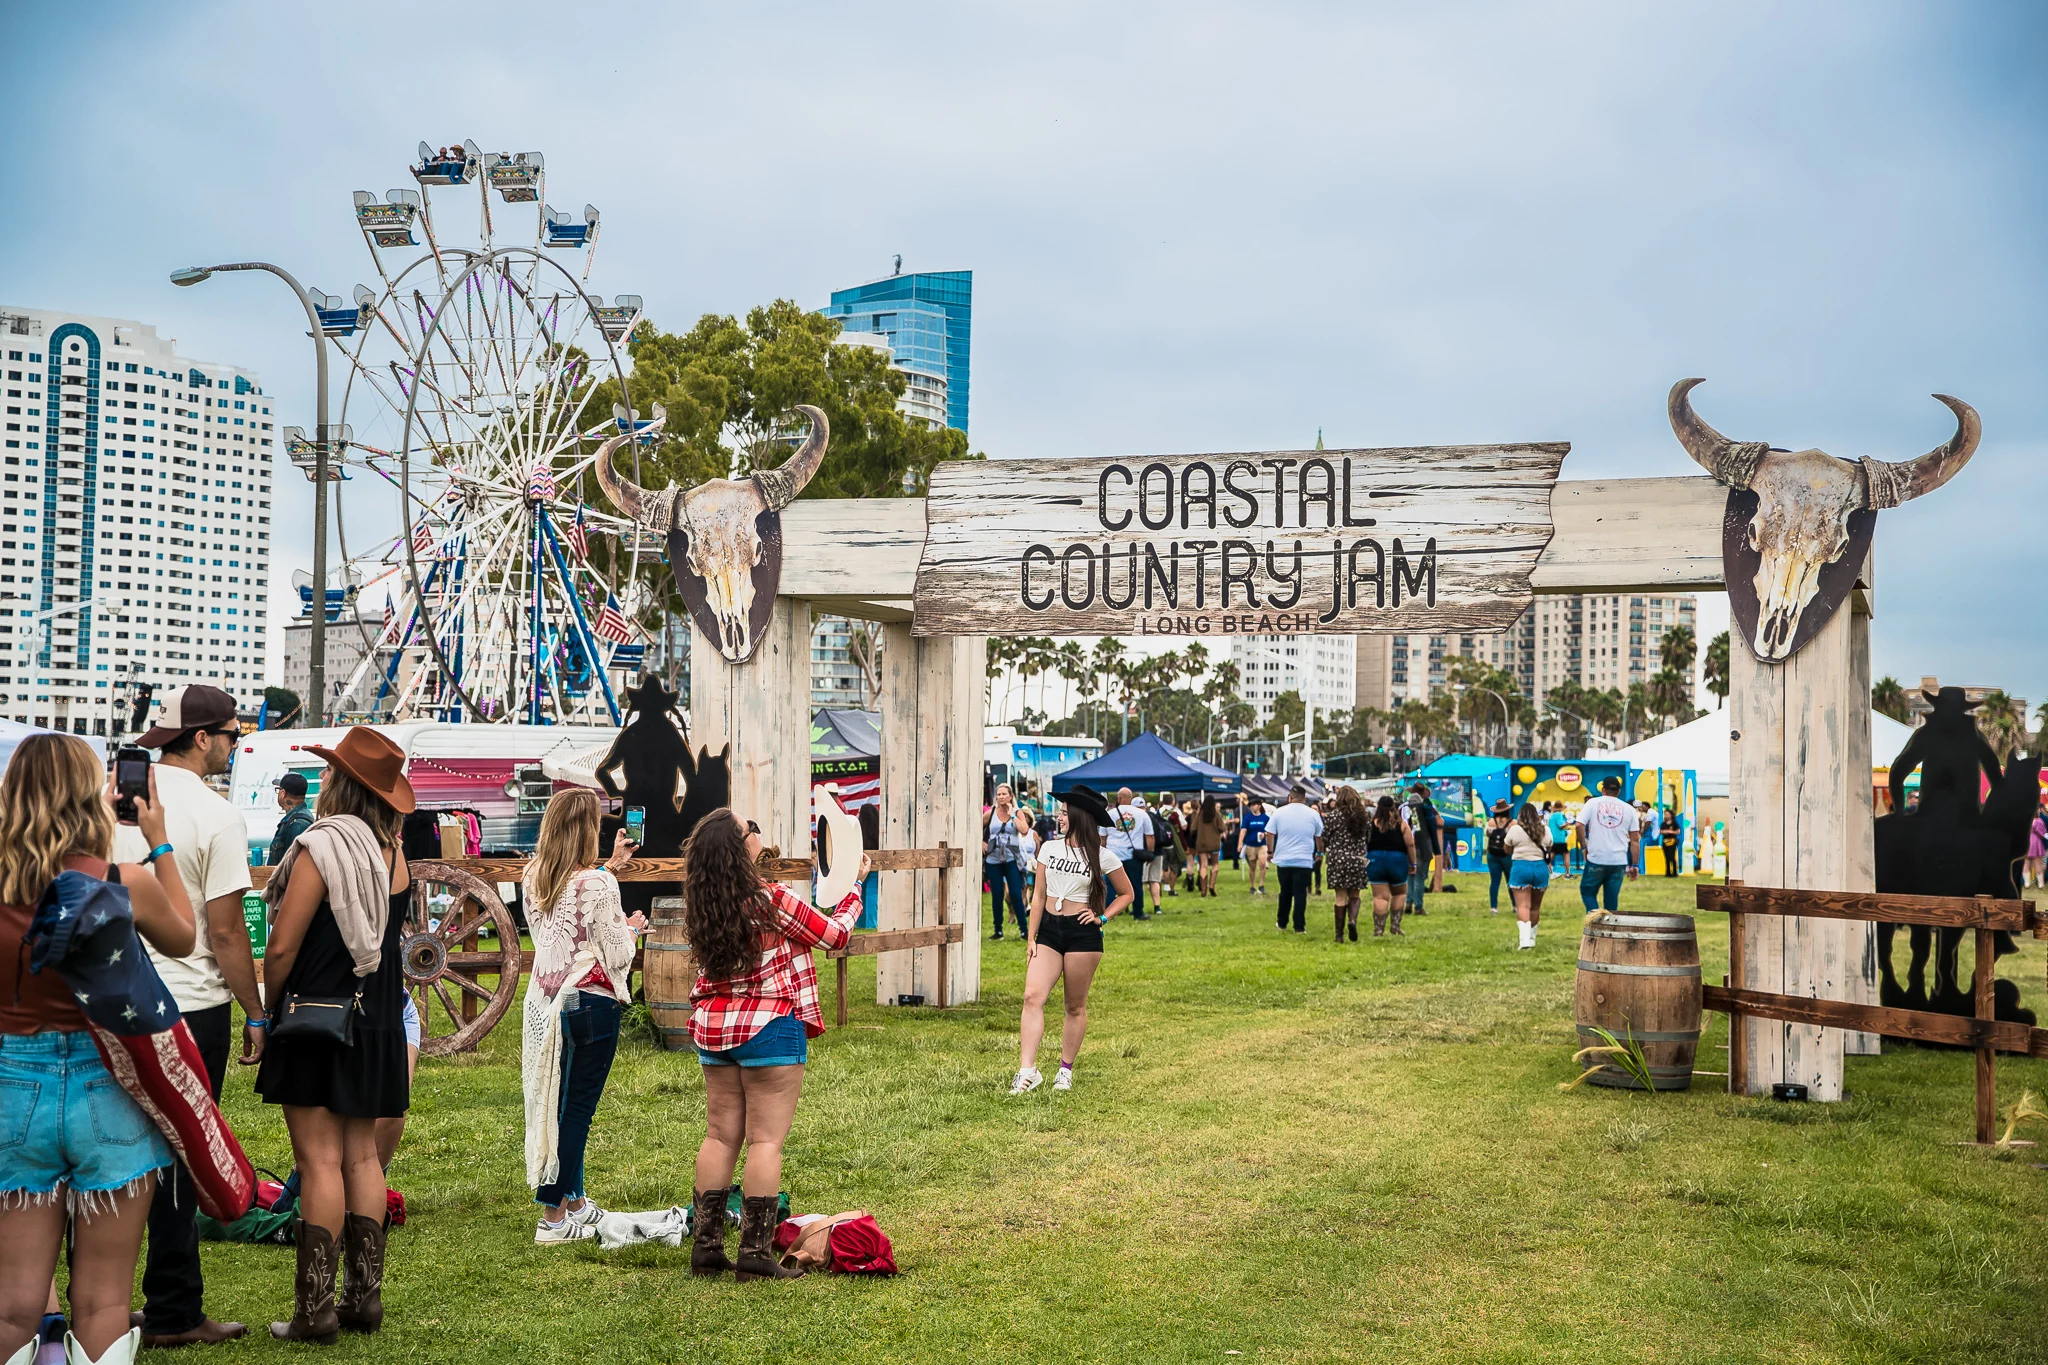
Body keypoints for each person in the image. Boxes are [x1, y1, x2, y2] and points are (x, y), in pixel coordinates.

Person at [0, 736, 196, 1365]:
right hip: (106, 1086)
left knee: (11, 1303)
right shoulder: (120, 882)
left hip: (12, 1087)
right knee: (104, 1299)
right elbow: (184, 937)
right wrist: (156, 840)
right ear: (93, 795)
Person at [256, 726, 417, 1340]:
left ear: (341, 784)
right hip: (377, 1019)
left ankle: (315, 1311)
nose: (321, 779)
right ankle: (363, 1300)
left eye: (328, 772)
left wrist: (268, 1010)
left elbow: (281, 947)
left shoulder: (320, 848)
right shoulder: (394, 854)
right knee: (362, 1157)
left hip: (318, 1016)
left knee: (318, 1160)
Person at [116, 686, 258, 1349]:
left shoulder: (118, 802)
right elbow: (225, 931)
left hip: (115, 994)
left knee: (112, 1151)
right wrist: (256, 1011)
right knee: (183, 1156)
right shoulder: (218, 814)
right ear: (202, 738)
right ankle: (173, 1307)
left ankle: (100, 1300)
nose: (234, 747)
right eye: (232, 735)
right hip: (192, 1002)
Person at [681, 810, 869, 1282]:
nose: (758, 833)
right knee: (765, 1141)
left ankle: (707, 1250)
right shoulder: (773, 899)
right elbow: (834, 936)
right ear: (740, 847)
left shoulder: (703, 904)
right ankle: (754, 1255)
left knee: (719, 1136)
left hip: (715, 1029)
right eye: (752, 829)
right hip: (769, 1027)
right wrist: (854, 888)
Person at [521, 789, 644, 1244]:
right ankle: (552, 1217)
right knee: (577, 1111)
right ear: (587, 829)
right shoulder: (597, 884)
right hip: (592, 1001)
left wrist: (612, 865)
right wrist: (632, 929)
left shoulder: (534, 875)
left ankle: (574, 1200)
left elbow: (566, 915)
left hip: (552, 1001)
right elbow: (617, 952)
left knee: (559, 1104)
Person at [1012, 785, 1134, 1095]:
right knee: (1032, 997)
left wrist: (1102, 918)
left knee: (1074, 1006)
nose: (1060, 817)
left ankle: (1065, 1070)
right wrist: (1031, 936)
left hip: (1083, 935)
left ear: (1080, 817)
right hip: (1049, 931)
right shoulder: (1049, 848)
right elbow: (1039, 896)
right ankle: (1027, 1071)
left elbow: (1126, 893)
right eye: (1061, 812)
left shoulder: (1103, 856)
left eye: (1065, 813)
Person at [1575, 777, 1641, 913]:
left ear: (1602, 789)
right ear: (1619, 791)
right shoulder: (1629, 809)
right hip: (1619, 860)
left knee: (1587, 891)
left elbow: (1579, 825)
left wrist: (1584, 847)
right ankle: (1609, 923)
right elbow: (1635, 839)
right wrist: (1634, 865)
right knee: (1611, 900)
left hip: (1597, 858)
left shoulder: (1593, 803)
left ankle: (1595, 917)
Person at [1266, 786, 1324, 934]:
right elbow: (1319, 836)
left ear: (1289, 798)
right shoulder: (1313, 814)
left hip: (1284, 859)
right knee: (1300, 893)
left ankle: (1282, 922)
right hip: (1304, 859)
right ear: (1305, 798)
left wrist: (1270, 851)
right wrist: (1319, 851)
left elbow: (1269, 833)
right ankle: (1299, 926)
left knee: (1285, 892)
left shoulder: (1279, 812)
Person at [982, 784, 1032, 941]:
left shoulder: (1017, 812)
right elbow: (975, 826)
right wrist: (982, 842)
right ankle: (998, 931)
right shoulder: (991, 813)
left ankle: (1024, 930)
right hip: (993, 859)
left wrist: (1012, 815)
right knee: (997, 895)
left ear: (1010, 796)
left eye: (1004, 794)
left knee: (1016, 894)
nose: (1001, 797)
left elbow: (1024, 830)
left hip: (1012, 859)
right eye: (999, 794)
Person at [1323, 787, 1371, 942]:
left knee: (1340, 896)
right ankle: (1352, 920)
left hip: (1337, 859)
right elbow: (1368, 837)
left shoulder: (1333, 816)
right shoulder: (1363, 816)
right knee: (1355, 894)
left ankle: (1339, 935)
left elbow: (1325, 837)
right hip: (1357, 859)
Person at [1364, 795, 1417, 936]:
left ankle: (1378, 929)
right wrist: (1413, 862)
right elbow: (1410, 844)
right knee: (1399, 893)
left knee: (1380, 897)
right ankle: (1395, 926)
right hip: (1397, 860)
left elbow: (1364, 842)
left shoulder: (1371, 823)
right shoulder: (1401, 824)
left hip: (1375, 859)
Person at [1506, 802, 1553, 949]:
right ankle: (1532, 939)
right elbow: (1549, 847)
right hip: (1540, 868)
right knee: (1535, 907)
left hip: (1520, 867)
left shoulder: (1515, 829)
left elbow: (1507, 848)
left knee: (1523, 906)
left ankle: (1524, 941)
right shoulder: (1545, 829)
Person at [1104, 788, 1152, 920]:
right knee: (1135, 885)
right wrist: (1150, 852)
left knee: (1110, 885)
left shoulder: (1109, 814)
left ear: (1118, 799)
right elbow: (1150, 836)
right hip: (1133, 855)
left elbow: (1102, 837)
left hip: (1113, 855)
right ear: (1131, 799)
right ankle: (1138, 912)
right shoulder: (1142, 814)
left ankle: (1108, 913)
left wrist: (1102, 853)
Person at [1402, 785, 1441, 916]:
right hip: (1422, 845)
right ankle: (1418, 906)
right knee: (1419, 877)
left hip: (1407, 846)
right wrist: (1436, 849)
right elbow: (1433, 827)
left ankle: (1408, 902)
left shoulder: (1404, 808)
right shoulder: (1426, 808)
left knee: (1410, 876)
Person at [270, 771, 315, 866]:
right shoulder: (296, 820)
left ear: (283, 793)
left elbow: (294, 865)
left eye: (278, 790)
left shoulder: (297, 824)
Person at [1133, 796, 1167, 916]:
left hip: (1143, 853)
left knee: (1141, 881)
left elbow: (1149, 836)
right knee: (1155, 880)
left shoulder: (1136, 818)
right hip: (1158, 852)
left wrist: (1149, 852)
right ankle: (1157, 907)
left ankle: (1139, 907)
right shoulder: (1154, 816)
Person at [1191, 795, 1226, 897]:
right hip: (1214, 843)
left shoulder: (1199, 815)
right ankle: (1211, 885)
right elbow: (1222, 828)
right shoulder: (1216, 814)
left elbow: (1193, 828)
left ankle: (1203, 889)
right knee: (1215, 864)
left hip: (1201, 843)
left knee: (1203, 866)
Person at [1484, 800, 1514, 914]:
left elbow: (1487, 834)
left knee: (1494, 881)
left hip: (1492, 854)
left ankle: (1493, 907)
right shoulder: (1513, 823)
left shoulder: (1491, 822)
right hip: (1507, 855)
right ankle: (1515, 905)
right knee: (1511, 881)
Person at [1240, 799, 1271, 893]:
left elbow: (1270, 830)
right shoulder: (1248, 818)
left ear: (1259, 806)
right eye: (1251, 805)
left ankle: (1261, 885)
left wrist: (1264, 834)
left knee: (1262, 864)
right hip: (1250, 844)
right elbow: (1243, 830)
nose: (1252, 807)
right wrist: (1240, 843)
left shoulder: (1265, 818)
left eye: (1254, 805)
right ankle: (1252, 886)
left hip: (1262, 845)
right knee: (1252, 866)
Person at [1545, 802, 1570, 871]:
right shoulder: (1559, 815)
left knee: (1550, 857)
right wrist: (1567, 824)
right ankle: (1568, 873)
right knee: (1566, 856)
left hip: (1552, 839)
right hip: (1560, 840)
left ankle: (1549, 872)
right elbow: (1560, 826)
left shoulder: (1551, 816)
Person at [1660, 805, 1683, 877]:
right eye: (1665, 814)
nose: (1666, 815)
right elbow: (1660, 831)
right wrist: (1665, 831)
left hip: (1672, 841)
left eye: (1667, 814)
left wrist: (1671, 832)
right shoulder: (1663, 824)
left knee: (1672, 857)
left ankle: (1675, 872)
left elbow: (1678, 831)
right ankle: (1668, 872)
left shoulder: (1674, 823)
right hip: (1665, 841)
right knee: (1666, 857)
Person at [2028, 805, 2047, 889]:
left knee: (2026, 864)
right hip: (2037, 843)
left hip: (2026, 844)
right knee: (2038, 864)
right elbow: (2043, 833)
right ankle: (2040, 883)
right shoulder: (2039, 820)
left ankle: (2027, 883)